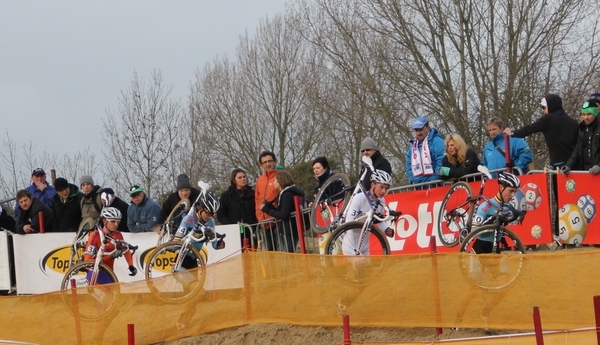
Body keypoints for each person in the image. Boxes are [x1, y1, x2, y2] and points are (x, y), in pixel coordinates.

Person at [503, 94, 578, 168]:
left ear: (551, 105)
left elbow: (529, 129)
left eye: (543, 107)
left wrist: (513, 133)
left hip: (559, 164)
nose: (542, 111)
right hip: (575, 164)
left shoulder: (548, 119)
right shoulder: (574, 122)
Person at [342, 170, 395, 255]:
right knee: (360, 265)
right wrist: (365, 218)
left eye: (386, 188)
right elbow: (348, 223)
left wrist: (386, 229)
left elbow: (380, 220)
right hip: (351, 244)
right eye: (381, 187)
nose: (384, 191)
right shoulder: (359, 198)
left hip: (364, 245)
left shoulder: (381, 200)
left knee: (366, 268)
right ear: (373, 185)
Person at [470, 172, 522, 252]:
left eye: (514, 192)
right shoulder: (485, 207)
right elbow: (473, 232)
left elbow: (510, 221)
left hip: (496, 245)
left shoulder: (509, 206)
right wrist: (491, 222)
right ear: (501, 188)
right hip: (481, 246)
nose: (512, 195)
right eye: (510, 191)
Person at [83, 207, 137, 283]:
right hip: (95, 273)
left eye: (118, 222)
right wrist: (109, 257)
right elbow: (87, 262)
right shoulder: (95, 235)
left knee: (115, 293)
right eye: (113, 221)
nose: (116, 224)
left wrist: (131, 265)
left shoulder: (118, 235)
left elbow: (125, 250)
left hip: (109, 272)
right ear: (104, 221)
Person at [259, 171, 306, 253]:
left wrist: (267, 210)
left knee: (288, 255)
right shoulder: (288, 193)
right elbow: (283, 210)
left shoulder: (287, 194)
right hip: (290, 229)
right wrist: (269, 206)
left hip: (289, 229)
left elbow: (284, 214)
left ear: (280, 181)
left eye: (275, 180)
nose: (273, 183)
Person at [174, 191, 223, 267]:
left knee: (195, 279)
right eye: (209, 213)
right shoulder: (188, 219)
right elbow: (176, 242)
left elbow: (214, 244)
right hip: (182, 257)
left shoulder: (210, 222)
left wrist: (219, 244)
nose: (211, 217)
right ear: (200, 209)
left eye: (213, 215)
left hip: (194, 257)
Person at [217, 168, 258, 243]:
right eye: (240, 177)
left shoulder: (253, 193)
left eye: (244, 176)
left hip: (252, 230)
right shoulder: (226, 196)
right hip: (234, 232)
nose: (243, 179)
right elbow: (221, 215)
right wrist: (233, 223)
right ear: (234, 180)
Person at [561, 100, 600, 175]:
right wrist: (568, 165)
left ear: (595, 113)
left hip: (597, 171)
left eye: (589, 114)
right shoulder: (582, 128)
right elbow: (578, 149)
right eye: (584, 114)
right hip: (586, 171)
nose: (586, 117)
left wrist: (599, 165)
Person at [405, 116, 446, 185]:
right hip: (418, 186)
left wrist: (432, 181)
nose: (418, 133)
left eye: (421, 130)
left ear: (428, 127)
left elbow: (442, 162)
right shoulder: (413, 144)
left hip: (436, 184)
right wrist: (411, 179)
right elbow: (409, 163)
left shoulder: (438, 142)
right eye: (416, 130)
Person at [255, 151, 280, 250]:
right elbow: (257, 199)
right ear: (261, 165)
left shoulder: (281, 176)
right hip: (264, 223)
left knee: (281, 252)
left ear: (275, 162)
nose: (268, 164)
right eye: (265, 162)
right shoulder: (260, 180)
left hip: (278, 221)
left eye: (270, 161)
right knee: (270, 252)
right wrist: (259, 216)